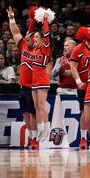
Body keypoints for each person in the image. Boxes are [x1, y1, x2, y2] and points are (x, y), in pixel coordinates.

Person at [7, 6, 38, 149]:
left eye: (29, 36)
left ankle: (35, 139)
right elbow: (15, 32)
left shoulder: (40, 50)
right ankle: (31, 137)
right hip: (23, 86)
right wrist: (12, 18)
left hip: (34, 87)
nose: (25, 36)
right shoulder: (23, 45)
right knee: (25, 113)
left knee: (33, 114)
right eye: (26, 35)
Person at [30, 10, 51, 142]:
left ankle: (46, 128)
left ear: (42, 40)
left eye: (37, 37)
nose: (34, 39)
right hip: (34, 80)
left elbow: (47, 34)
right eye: (34, 37)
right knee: (36, 105)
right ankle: (40, 129)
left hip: (42, 79)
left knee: (42, 105)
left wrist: (44, 20)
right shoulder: (35, 49)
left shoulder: (45, 48)